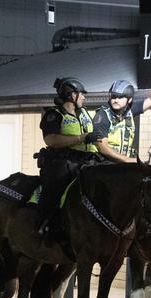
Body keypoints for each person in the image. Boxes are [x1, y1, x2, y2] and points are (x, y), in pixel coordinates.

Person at [37, 76, 102, 236]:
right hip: (65, 162)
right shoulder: (54, 114)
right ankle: (45, 225)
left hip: (88, 160)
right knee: (55, 188)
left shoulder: (84, 112)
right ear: (72, 95)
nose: (84, 97)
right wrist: (81, 138)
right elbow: (51, 139)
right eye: (81, 94)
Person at [92, 79, 151, 163]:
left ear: (129, 99)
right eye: (113, 97)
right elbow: (103, 148)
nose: (116, 100)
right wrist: (127, 160)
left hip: (122, 163)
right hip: (103, 164)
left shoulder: (129, 110)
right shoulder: (102, 116)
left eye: (120, 97)